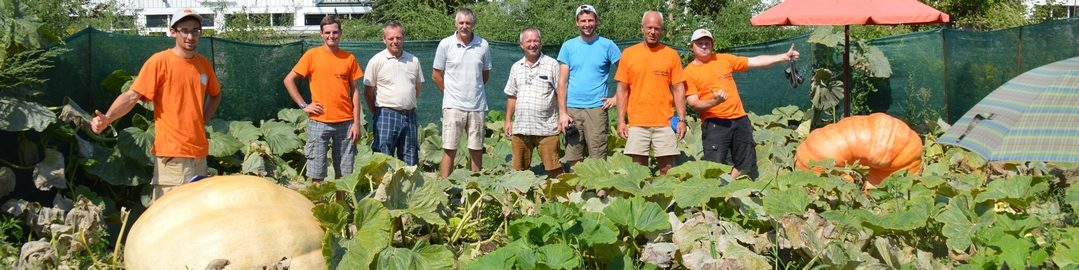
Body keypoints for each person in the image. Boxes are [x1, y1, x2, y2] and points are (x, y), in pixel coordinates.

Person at [90, 9, 222, 201]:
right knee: (169, 219)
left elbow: (216, 95)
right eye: (184, 30)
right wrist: (108, 118)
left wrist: (201, 120)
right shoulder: (160, 62)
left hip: (199, 155)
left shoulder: (203, 64)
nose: (190, 36)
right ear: (173, 32)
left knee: (195, 219)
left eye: (195, 30)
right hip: (171, 156)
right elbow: (131, 96)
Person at [683, 28, 799, 179]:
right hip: (714, 123)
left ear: (712, 45)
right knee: (713, 166)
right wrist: (715, 101)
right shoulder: (688, 72)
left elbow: (756, 61)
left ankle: (727, 187)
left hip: (740, 119)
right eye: (700, 43)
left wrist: (783, 57)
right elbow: (693, 104)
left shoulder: (724, 59)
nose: (704, 46)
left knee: (746, 163)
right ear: (692, 47)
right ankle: (716, 196)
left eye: (707, 42)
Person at [283, 15, 363, 183]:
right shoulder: (312, 55)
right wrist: (304, 105)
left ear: (340, 33)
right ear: (321, 34)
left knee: (344, 172)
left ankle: (340, 205)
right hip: (319, 121)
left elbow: (355, 91)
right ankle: (317, 206)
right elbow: (288, 80)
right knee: (316, 171)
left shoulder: (349, 58)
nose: (331, 36)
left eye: (335, 32)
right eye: (327, 32)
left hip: (346, 122)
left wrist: (356, 123)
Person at [614, 11, 687, 176]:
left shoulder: (671, 55)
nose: (652, 32)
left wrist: (682, 119)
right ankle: (642, 199)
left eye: (656, 28)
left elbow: (678, 89)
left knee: (668, 169)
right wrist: (620, 121)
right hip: (637, 122)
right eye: (649, 28)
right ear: (642, 28)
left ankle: (667, 200)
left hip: (665, 122)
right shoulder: (629, 54)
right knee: (638, 171)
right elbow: (622, 89)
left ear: (661, 30)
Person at [556, 4, 621, 169]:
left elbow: (625, 74)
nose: (587, 24)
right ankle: (577, 193)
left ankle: (599, 192)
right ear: (577, 23)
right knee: (573, 154)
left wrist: (616, 98)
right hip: (572, 109)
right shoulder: (568, 46)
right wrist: (562, 113)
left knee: (598, 154)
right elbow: (562, 82)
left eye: (590, 20)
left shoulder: (608, 45)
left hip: (597, 109)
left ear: (596, 21)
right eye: (583, 20)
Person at [432, 7, 492, 178]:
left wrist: (473, 89)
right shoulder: (445, 44)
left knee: (476, 149)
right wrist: (449, 93)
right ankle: (444, 190)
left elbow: (484, 75)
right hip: (453, 106)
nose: (465, 26)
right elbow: (436, 75)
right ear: (455, 24)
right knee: (449, 149)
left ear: (473, 24)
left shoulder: (483, 45)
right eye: (461, 22)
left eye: (468, 22)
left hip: (477, 106)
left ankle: (475, 190)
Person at [504, 27, 564, 178]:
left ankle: (559, 197)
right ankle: (518, 199)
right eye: (528, 41)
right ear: (522, 45)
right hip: (521, 128)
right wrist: (508, 121)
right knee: (518, 172)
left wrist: (562, 116)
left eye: (536, 40)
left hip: (547, 128)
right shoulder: (516, 67)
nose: (533, 44)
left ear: (540, 43)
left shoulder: (552, 64)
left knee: (554, 168)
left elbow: (561, 93)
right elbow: (512, 96)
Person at [363, 21, 423, 166]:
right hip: (386, 113)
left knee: (410, 157)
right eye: (391, 38)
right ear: (384, 40)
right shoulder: (376, 61)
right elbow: (368, 92)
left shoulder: (413, 60)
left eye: (398, 38)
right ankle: (383, 188)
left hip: (409, 115)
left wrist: (406, 103)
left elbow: (417, 88)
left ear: (403, 38)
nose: (395, 41)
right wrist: (377, 112)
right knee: (383, 157)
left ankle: (407, 189)